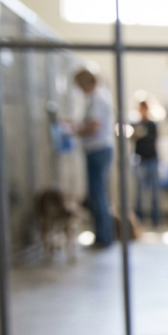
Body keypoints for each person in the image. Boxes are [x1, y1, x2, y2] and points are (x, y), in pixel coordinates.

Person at [73, 68, 115, 248]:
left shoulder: (98, 98)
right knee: (97, 194)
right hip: (97, 149)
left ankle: (103, 237)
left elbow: (94, 126)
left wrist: (73, 130)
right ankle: (101, 235)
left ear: (86, 83)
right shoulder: (96, 97)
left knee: (97, 195)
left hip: (99, 149)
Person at [132, 100, 160, 227]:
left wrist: (141, 136)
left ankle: (156, 220)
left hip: (152, 159)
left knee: (155, 191)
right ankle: (139, 220)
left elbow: (152, 138)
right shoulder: (135, 125)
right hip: (140, 160)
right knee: (139, 192)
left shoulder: (152, 125)